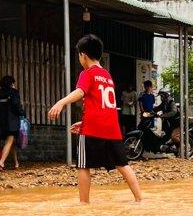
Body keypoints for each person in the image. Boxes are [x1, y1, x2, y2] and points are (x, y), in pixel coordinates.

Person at [48, 34, 143, 204]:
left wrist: (61, 103)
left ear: (83, 55)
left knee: (83, 165)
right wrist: (84, 122)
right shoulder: (107, 76)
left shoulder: (87, 73)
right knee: (123, 164)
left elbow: (80, 92)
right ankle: (139, 199)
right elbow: (103, 106)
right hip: (112, 129)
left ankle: (84, 204)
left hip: (93, 129)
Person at [0, 75, 25, 170]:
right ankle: (1, 163)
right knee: (9, 141)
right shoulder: (13, 93)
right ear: (12, 84)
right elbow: (16, 105)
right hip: (10, 122)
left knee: (10, 142)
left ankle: (16, 162)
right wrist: (22, 113)